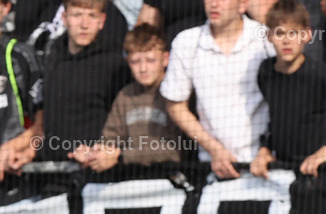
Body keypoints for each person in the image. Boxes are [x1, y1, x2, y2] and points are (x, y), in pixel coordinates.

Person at [161, 0, 275, 179]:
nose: (214, 4)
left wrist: (266, 149)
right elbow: (175, 105)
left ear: (243, 4)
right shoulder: (186, 42)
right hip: (213, 170)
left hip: (267, 167)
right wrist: (215, 150)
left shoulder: (266, 39)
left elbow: (286, 99)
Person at [250, 0, 326, 177]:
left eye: (293, 33)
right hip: (284, 171)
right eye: (279, 33)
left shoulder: (322, 75)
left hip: (322, 172)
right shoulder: (266, 72)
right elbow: (277, 118)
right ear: (268, 36)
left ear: (307, 35)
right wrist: (265, 149)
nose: (286, 40)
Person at [69, 23, 185, 171]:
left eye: (150, 60)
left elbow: (176, 150)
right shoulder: (125, 96)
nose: (143, 68)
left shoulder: (176, 91)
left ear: (165, 59)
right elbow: (110, 141)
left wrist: (122, 155)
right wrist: (93, 154)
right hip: (131, 179)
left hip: (170, 178)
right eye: (136, 62)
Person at [30, 0, 132, 163]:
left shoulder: (116, 67)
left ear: (102, 21)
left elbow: (127, 124)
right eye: (77, 15)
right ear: (64, 18)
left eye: (92, 16)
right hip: (50, 171)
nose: (84, 24)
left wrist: (104, 151)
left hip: (95, 173)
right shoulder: (53, 60)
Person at [0, 0, 45, 181]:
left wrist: (7, 150)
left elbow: (43, 123)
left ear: (6, 8)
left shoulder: (19, 55)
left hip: (15, 178)